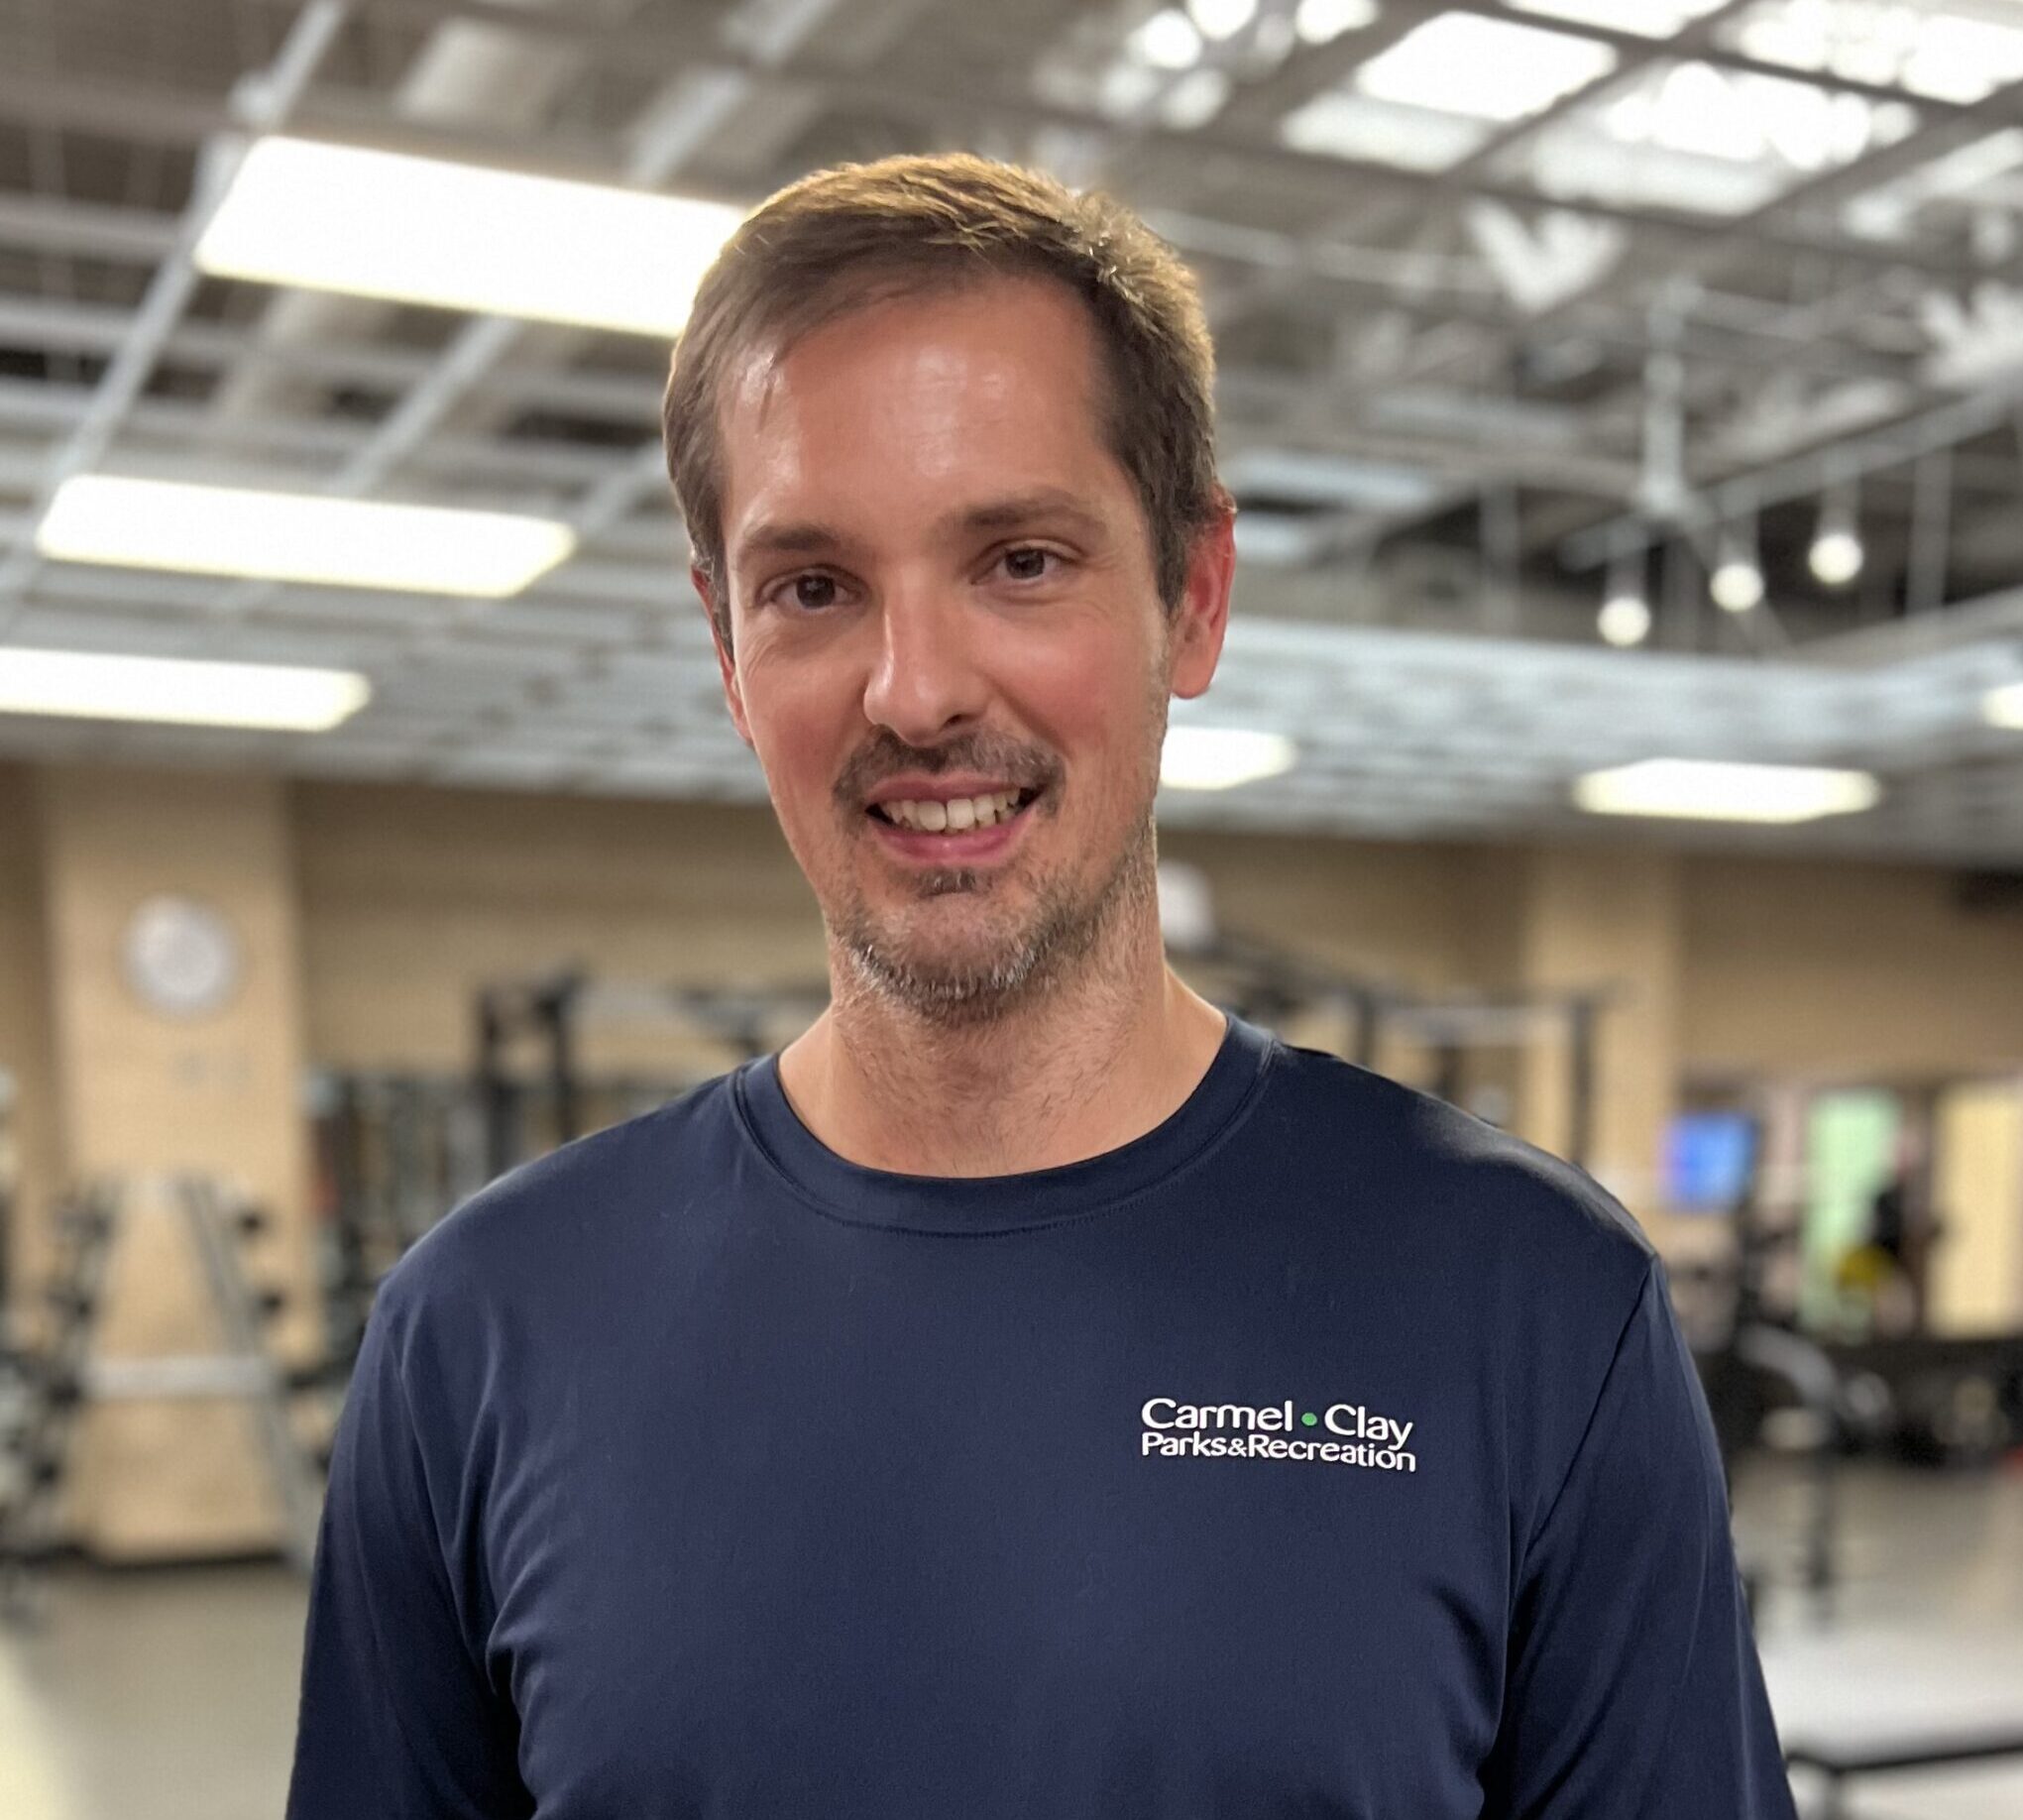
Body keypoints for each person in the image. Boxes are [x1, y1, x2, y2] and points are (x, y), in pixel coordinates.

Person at [285, 154, 1796, 1818]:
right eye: (812, 586)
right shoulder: (480, 1336)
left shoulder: (1532, 1305)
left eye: (1018, 560)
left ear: (1193, 596)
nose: (915, 690)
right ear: (725, 652)